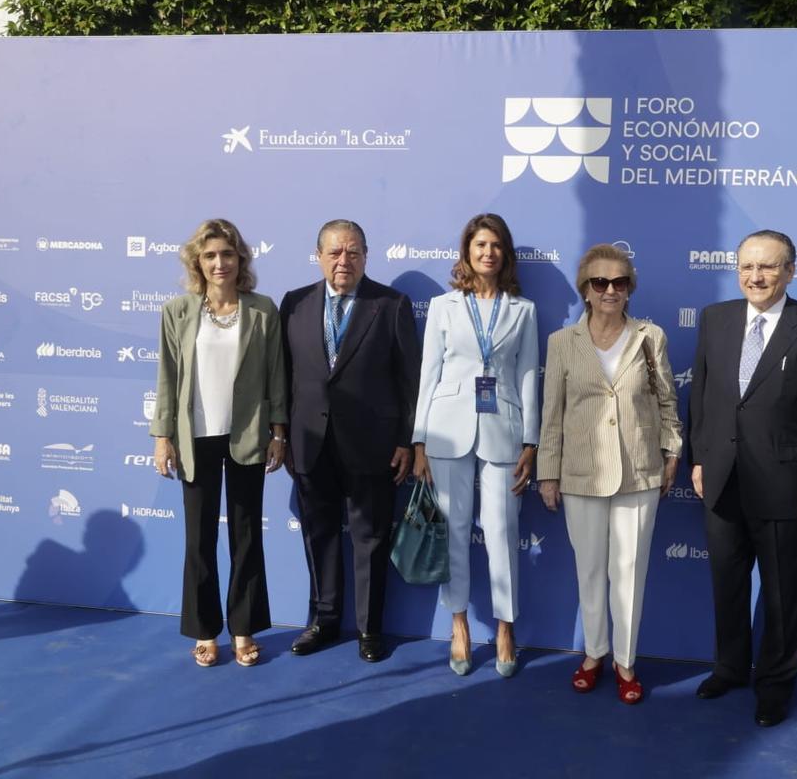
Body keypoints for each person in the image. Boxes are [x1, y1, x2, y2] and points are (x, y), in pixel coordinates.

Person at [688, 229, 797, 726]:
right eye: (747, 267)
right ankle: (730, 667)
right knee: (727, 584)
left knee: (783, 592)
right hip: (721, 478)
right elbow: (704, 395)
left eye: (768, 267)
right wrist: (699, 457)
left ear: (790, 271)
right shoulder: (715, 319)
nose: (755, 276)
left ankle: (776, 684)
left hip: (785, 483)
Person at [537, 243, 682, 705]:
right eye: (600, 282)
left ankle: (625, 660)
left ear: (629, 288)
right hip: (580, 472)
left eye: (619, 282)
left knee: (630, 572)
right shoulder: (562, 343)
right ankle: (593, 654)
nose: (610, 290)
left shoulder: (650, 337)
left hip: (639, 470)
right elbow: (552, 414)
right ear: (585, 289)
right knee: (590, 570)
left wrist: (672, 448)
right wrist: (548, 472)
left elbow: (666, 401)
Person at [280, 219, 421, 663]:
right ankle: (322, 621)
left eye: (354, 251)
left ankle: (368, 629)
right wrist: (280, 434)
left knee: (370, 539)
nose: (345, 260)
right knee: (319, 537)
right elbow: (282, 376)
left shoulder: (391, 304)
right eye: (335, 252)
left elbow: (408, 381)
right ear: (319, 256)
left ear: (366, 255)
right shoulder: (295, 303)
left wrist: (405, 440)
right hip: (309, 442)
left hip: (373, 445)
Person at [150, 218, 288, 668]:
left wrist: (279, 432)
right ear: (198, 262)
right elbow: (168, 379)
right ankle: (206, 631)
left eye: (227, 254)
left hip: (247, 435)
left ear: (240, 259)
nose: (219, 263)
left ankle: (244, 628)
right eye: (209, 256)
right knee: (199, 539)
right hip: (195, 439)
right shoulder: (177, 312)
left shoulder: (263, 310)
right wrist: (162, 437)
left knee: (246, 537)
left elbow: (276, 378)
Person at [412, 213, 539, 678]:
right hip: (447, 430)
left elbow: (528, 376)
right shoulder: (443, 306)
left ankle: (506, 627)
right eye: (480, 244)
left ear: (505, 254)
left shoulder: (523, 310)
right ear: (467, 251)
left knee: (503, 532)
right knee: (455, 531)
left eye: (496, 245)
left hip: (504, 430)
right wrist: (420, 440)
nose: (488, 252)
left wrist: (532, 440)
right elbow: (430, 373)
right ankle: (459, 624)